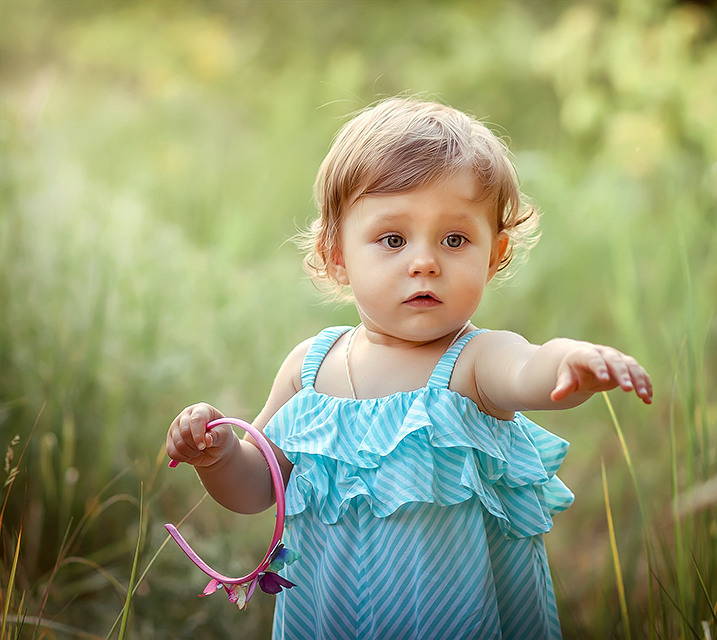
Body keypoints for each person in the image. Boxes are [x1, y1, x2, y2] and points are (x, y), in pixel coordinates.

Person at [166, 97, 652, 639]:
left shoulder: (472, 363)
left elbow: (532, 372)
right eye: (393, 239)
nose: (425, 261)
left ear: (494, 255)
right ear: (337, 255)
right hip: (331, 616)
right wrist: (220, 454)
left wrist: (573, 362)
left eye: (455, 239)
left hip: (449, 618)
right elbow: (259, 489)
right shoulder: (310, 369)